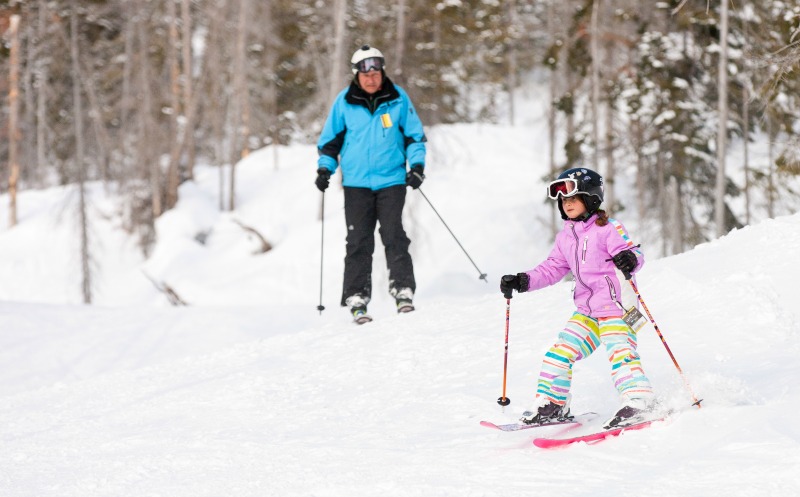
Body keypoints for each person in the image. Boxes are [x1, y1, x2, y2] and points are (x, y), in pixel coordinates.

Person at [499, 167, 656, 428]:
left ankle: (639, 400)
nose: (567, 203)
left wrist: (629, 259)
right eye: (563, 200)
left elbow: (634, 254)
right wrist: (523, 280)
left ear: (591, 198)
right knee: (558, 354)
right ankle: (553, 404)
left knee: (620, 351)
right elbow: (552, 268)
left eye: (573, 198)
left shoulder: (609, 228)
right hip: (587, 312)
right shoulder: (566, 237)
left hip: (618, 308)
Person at [315, 45, 427, 324]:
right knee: (358, 240)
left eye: (376, 71)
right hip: (356, 184)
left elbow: (415, 137)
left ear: (382, 72)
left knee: (394, 235)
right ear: (357, 75)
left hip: (391, 180)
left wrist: (417, 167)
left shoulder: (398, 99)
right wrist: (324, 169)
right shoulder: (344, 102)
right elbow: (330, 142)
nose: (372, 78)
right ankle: (356, 295)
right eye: (366, 73)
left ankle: (402, 289)